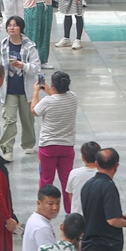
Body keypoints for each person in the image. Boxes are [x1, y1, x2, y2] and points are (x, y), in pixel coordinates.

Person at [0, 16, 41, 162]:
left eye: (15, 25)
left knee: (27, 119)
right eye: (9, 25)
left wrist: (23, 66)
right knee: (9, 120)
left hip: (26, 90)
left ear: (21, 28)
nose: (12, 28)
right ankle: (7, 148)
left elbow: (36, 67)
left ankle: (28, 143)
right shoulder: (2, 46)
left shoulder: (29, 46)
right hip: (9, 90)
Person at [29, 70, 79, 210]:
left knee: (46, 180)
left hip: (48, 147)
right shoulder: (73, 98)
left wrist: (36, 92)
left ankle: (44, 210)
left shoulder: (47, 102)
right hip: (67, 146)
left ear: (53, 85)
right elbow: (59, 99)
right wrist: (51, 92)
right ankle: (70, 211)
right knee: (66, 182)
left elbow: (34, 110)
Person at [20, 185, 61, 251]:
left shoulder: (35, 219)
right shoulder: (42, 227)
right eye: (50, 203)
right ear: (39, 203)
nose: (55, 207)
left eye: (58, 203)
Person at [67, 142, 101, 216]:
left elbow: (70, 195)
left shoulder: (74, 173)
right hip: (96, 217)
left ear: (83, 157)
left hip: (77, 217)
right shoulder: (103, 175)